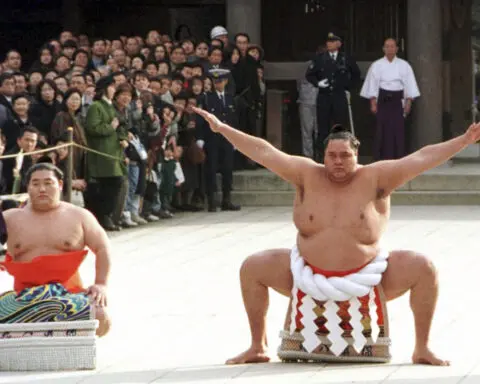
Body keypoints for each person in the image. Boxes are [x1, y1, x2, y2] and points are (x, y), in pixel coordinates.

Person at [193, 106, 480, 367]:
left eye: (346, 155)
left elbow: (421, 157)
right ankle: (258, 345)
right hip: (306, 277)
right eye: (332, 156)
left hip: (370, 279)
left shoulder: (377, 177)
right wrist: (222, 128)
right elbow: (264, 152)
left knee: (424, 268)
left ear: (357, 154)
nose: (338, 162)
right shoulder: (306, 174)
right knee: (253, 266)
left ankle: (422, 348)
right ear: (323, 157)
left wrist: (464, 141)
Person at [0, 162, 111, 337]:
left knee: (101, 317)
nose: (41, 189)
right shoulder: (9, 218)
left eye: (48, 183)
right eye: (35, 184)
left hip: (68, 293)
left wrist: (101, 284)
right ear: (27, 187)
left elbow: (103, 247)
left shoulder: (79, 216)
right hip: (23, 296)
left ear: (60, 185)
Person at [360, 38, 420, 160]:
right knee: (381, 129)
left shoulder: (404, 65)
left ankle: (399, 158)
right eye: (387, 46)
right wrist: (373, 102)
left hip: (397, 101)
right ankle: (380, 158)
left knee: (398, 129)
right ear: (383, 49)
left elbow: (409, 85)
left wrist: (408, 102)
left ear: (397, 49)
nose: (390, 49)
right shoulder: (377, 65)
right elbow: (372, 85)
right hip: (382, 100)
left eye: (392, 46)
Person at [305, 33, 360, 159]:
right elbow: (309, 75)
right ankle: (322, 156)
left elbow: (356, 74)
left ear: (339, 44)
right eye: (328, 41)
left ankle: (343, 154)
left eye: (333, 41)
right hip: (324, 97)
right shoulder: (320, 58)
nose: (329, 44)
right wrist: (318, 83)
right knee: (323, 127)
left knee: (341, 127)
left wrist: (347, 87)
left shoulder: (345, 58)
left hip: (339, 96)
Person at [197, 68, 240, 212]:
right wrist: (200, 137)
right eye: (215, 81)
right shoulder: (207, 98)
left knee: (228, 169)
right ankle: (211, 200)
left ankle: (226, 199)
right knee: (211, 168)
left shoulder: (230, 98)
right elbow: (201, 119)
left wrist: (235, 139)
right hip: (212, 138)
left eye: (220, 81)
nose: (218, 84)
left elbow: (234, 120)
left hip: (227, 138)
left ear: (226, 81)